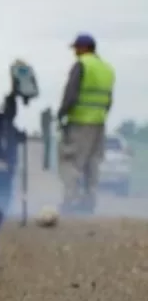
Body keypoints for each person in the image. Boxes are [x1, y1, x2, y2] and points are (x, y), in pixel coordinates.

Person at [56, 33, 115, 214]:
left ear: (84, 48)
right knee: (92, 163)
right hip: (98, 123)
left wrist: (62, 113)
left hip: (79, 122)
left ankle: (70, 202)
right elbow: (108, 100)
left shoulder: (82, 65)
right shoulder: (107, 69)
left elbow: (71, 94)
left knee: (70, 161)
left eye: (76, 48)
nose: (74, 52)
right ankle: (88, 203)